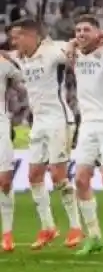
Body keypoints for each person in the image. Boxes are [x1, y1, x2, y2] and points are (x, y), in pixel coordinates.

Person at [7, 19, 81, 250]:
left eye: (17, 36)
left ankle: (76, 227)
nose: (14, 40)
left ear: (31, 36)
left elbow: (71, 46)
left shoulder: (51, 51)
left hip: (59, 120)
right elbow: (5, 55)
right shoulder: (21, 57)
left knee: (58, 175)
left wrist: (71, 47)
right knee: (34, 176)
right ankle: (48, 227)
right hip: (38, 123)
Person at [68, 15, 103, 255]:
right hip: (87, 124)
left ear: (98, 32)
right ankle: (95, 236)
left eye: (86, 30)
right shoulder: (73, 53)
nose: (81, 34)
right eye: (78, 30)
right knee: (80, 179)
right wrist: (71, 43)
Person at [0, 49, 24, 252]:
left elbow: (25, 81)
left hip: (0, 125)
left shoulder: (3, 64)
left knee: (4, 180)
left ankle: (7, 233)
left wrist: (13, 59)